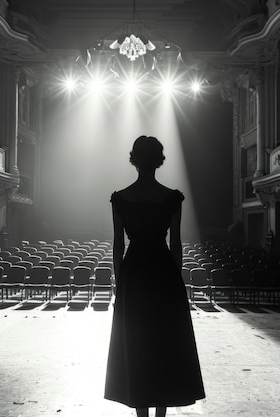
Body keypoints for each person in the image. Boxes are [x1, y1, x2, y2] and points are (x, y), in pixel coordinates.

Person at [104, 136, 205, 417]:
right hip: (163, 272)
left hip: (134, 272)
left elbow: (117, 245)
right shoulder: (172, 198)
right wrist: (177, 281)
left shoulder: (120, 199)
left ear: (134, 160)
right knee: (164, 343)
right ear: (159, 161)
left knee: (137, 343)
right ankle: (160, 415)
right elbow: (175, 246)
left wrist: (118, 282)